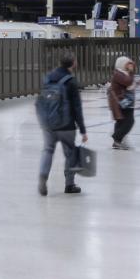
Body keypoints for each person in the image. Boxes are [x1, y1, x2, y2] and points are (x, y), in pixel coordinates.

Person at [37, 53, 89, 196]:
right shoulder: (71, 81)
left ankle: (43, 177)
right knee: (70, 154)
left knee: (48, 150)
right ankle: (69, 184)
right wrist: (83, 130)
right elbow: (77, 108)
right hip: (66, 125)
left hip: (48, 124)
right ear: (73, 63)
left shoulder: (48, 77)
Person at [107, 55, 138, 150]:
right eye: (127, 64)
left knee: (121, 121)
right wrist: (131, 72)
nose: (129, 66)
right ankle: (116, 136)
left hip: (125, 100)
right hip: (122, 101)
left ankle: (117, 142)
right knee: (129, 121)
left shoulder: (123, 73)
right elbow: (128, 82)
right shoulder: (118, 74)